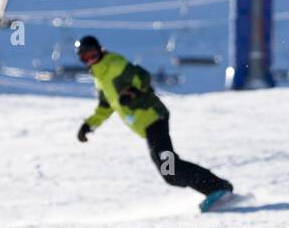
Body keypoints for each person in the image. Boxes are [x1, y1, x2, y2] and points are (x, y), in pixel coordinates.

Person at [73, 36, 234, 211]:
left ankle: (216, 188)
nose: (89, 60)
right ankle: (217, 186)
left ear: (99, 50)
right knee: (169, 172)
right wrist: (89, 125)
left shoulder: (115, 64)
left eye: (92, 54)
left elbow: (143, 77)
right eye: (84, 58)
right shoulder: (99, 76)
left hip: (153, 117)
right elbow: (105, 106)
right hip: (145, 125)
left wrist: (132, 91)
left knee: (169, 167)